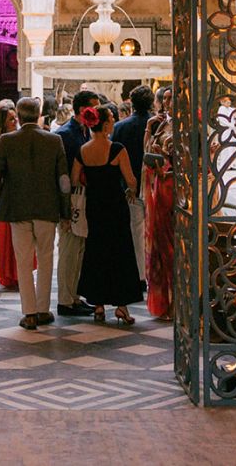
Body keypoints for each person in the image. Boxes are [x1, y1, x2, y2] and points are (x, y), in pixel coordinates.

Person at [0, 96, 70, 330]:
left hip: (17, 209)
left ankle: (30, 313)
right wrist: (64, 211)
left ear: (20, 116)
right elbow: (63, 181)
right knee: (45, 260)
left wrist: (4, 196)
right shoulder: (54, 140)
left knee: (23, 261)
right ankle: (44, 309)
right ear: (39, 114)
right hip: (47, 208)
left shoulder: (6, 140)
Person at [73, 104, 144, 324]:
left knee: (96, 252)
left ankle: (99, 305)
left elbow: (75, 179)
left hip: (94, 206)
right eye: (112, 119)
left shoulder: (83, 150)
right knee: (119, 253)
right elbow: (131, 180)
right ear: (104, 124)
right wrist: (130, 190)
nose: (114, 122)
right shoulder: (117, 149)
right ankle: (121, 306)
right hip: (115, 207)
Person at [54, 89, 101, 317]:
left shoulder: (86, 132)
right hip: (71, 199)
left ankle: (73, 296)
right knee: (69, 250)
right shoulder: (65, 135)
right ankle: (65, 300)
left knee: (78, 251)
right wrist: (63, 209)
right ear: (82, 109)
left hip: (83, 198)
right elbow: (60, 174)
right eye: (93, 108)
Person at [111, 84, 154, 282]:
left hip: (130, 186)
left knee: (136, 231)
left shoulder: (120, 127)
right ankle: (155, 270)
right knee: (155, 230)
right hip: (155, 184)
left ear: (131, 103)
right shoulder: (157, 125)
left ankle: (139, 275)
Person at [142, 86, 175, 320]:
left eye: (171, 99)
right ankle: (164, 300)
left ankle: (178, 300)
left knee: (175, 244)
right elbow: (146, 152)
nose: (167, 103)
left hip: (176, 186)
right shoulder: (160, 124)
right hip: (160, 186)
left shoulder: (190, 123)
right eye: (164, 99)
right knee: (160, 243)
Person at [0, 102, 21, 289]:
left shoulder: (16, 138)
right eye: (11, 118)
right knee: (7, 233)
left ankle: (15, 272)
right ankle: (9, 272)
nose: (15, 120)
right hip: (4, 192)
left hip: (14, 192)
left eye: (15, 117)